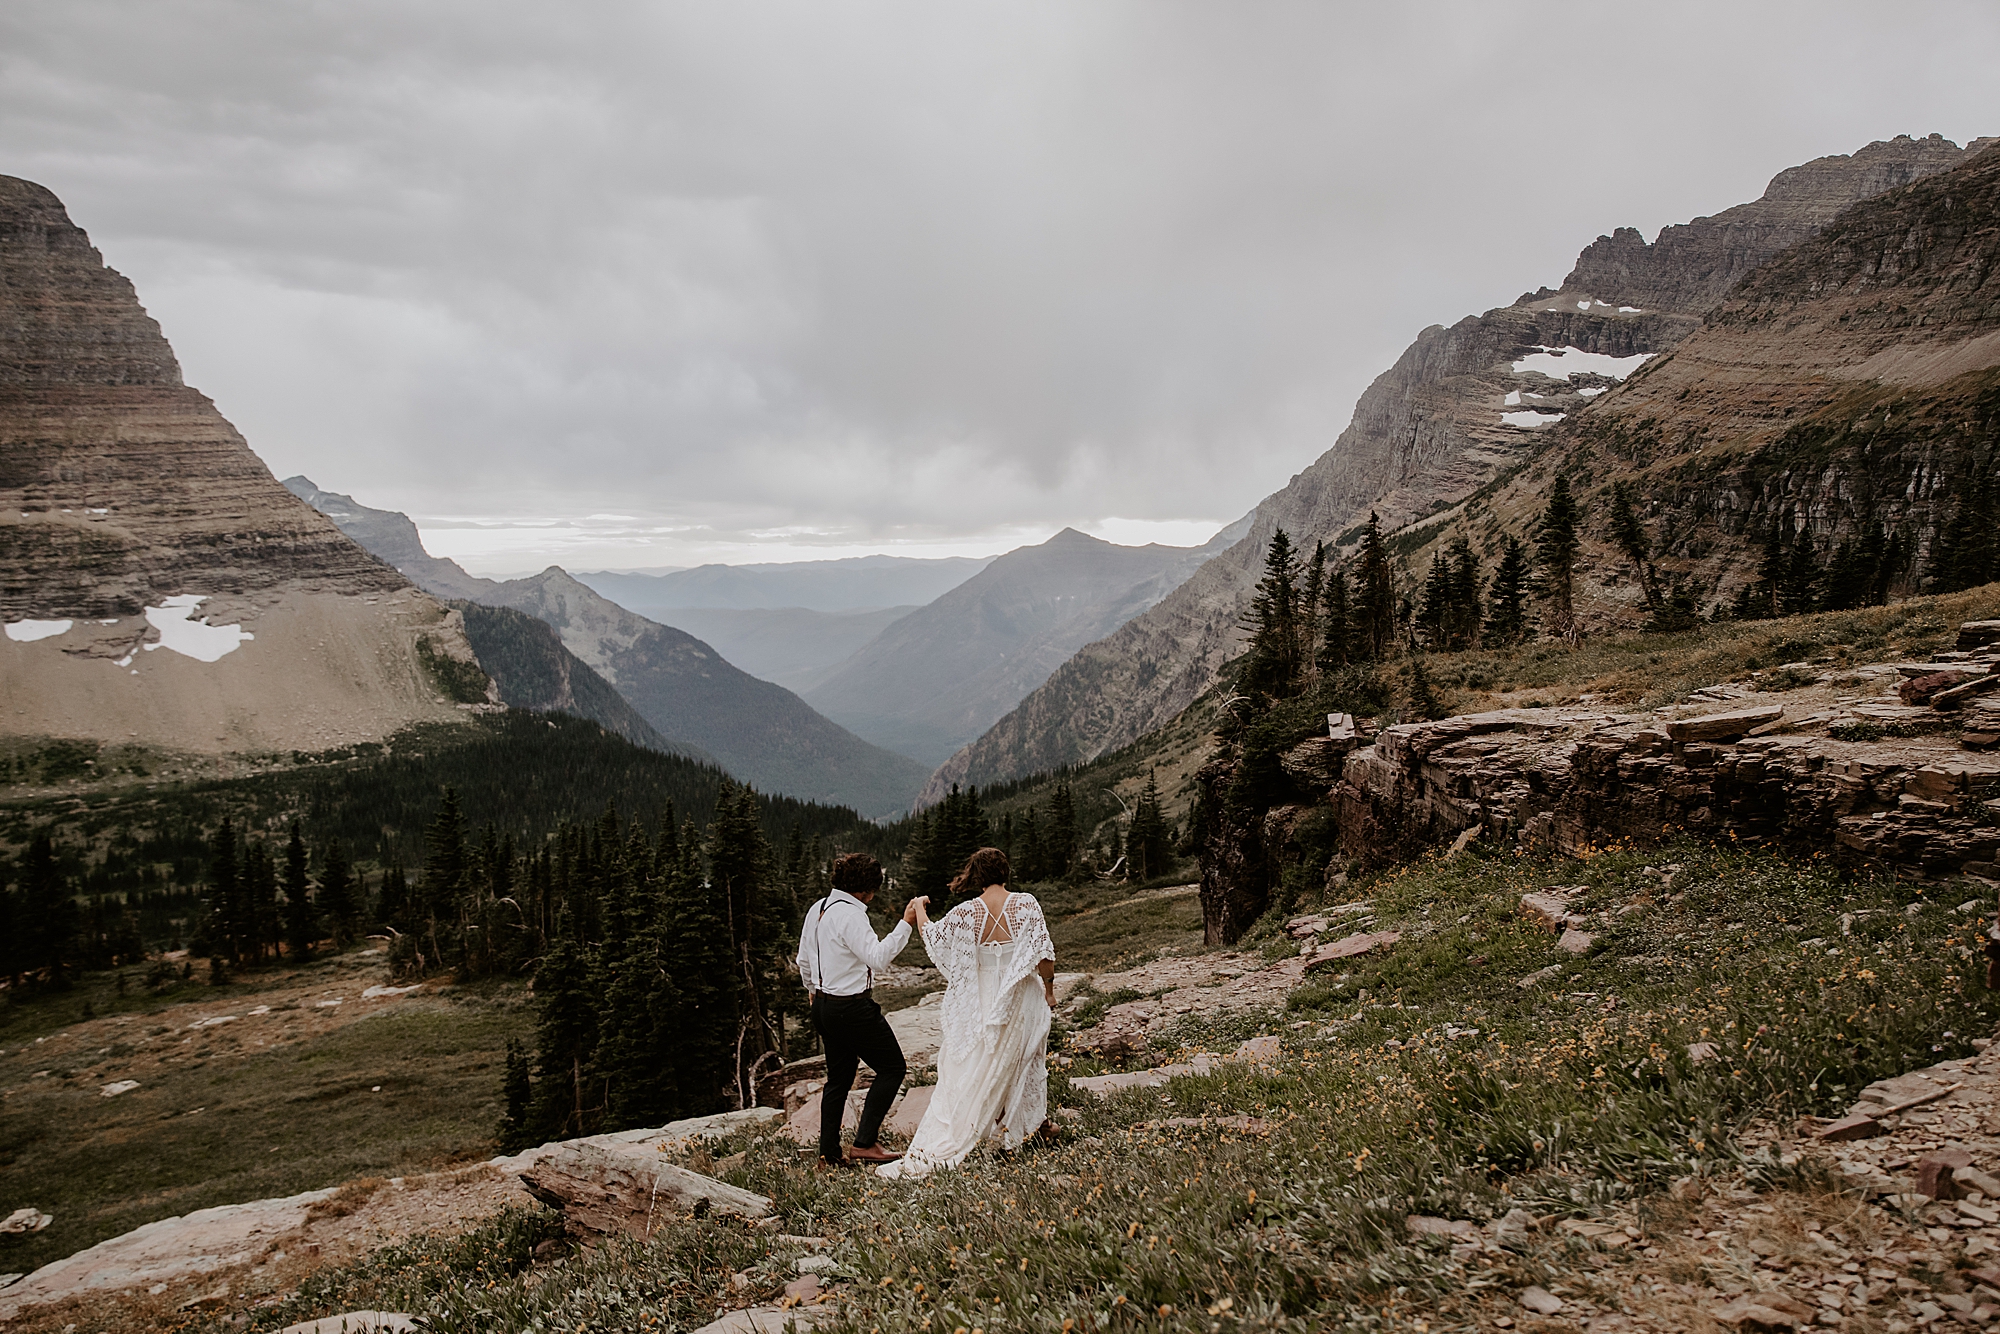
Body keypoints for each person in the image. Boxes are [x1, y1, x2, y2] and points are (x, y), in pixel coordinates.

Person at [876, 847, 1055, 1180]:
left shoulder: (966, 912)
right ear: (1005, 871)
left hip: (985, 995)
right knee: (1024, 1060)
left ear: (977, 876)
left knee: (984, 1060)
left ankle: (1010, 1127)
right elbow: (1044, 954)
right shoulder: (1027, 903)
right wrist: (1049, 990)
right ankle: (1024, 1128)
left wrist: (918, 910)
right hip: (1019, 992)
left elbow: (934, 937)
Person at [796, 852, 917, 1169]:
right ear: (865, 890)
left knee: (838, 1080)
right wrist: (906, 924)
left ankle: (828, 1154)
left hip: (823, 1004)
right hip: (852, 1007)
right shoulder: (851, 915)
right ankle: (865, 1143)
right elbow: (877, 957)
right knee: (892, 1068)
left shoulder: (818, 909)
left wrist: (813, 992)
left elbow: (804, 960)